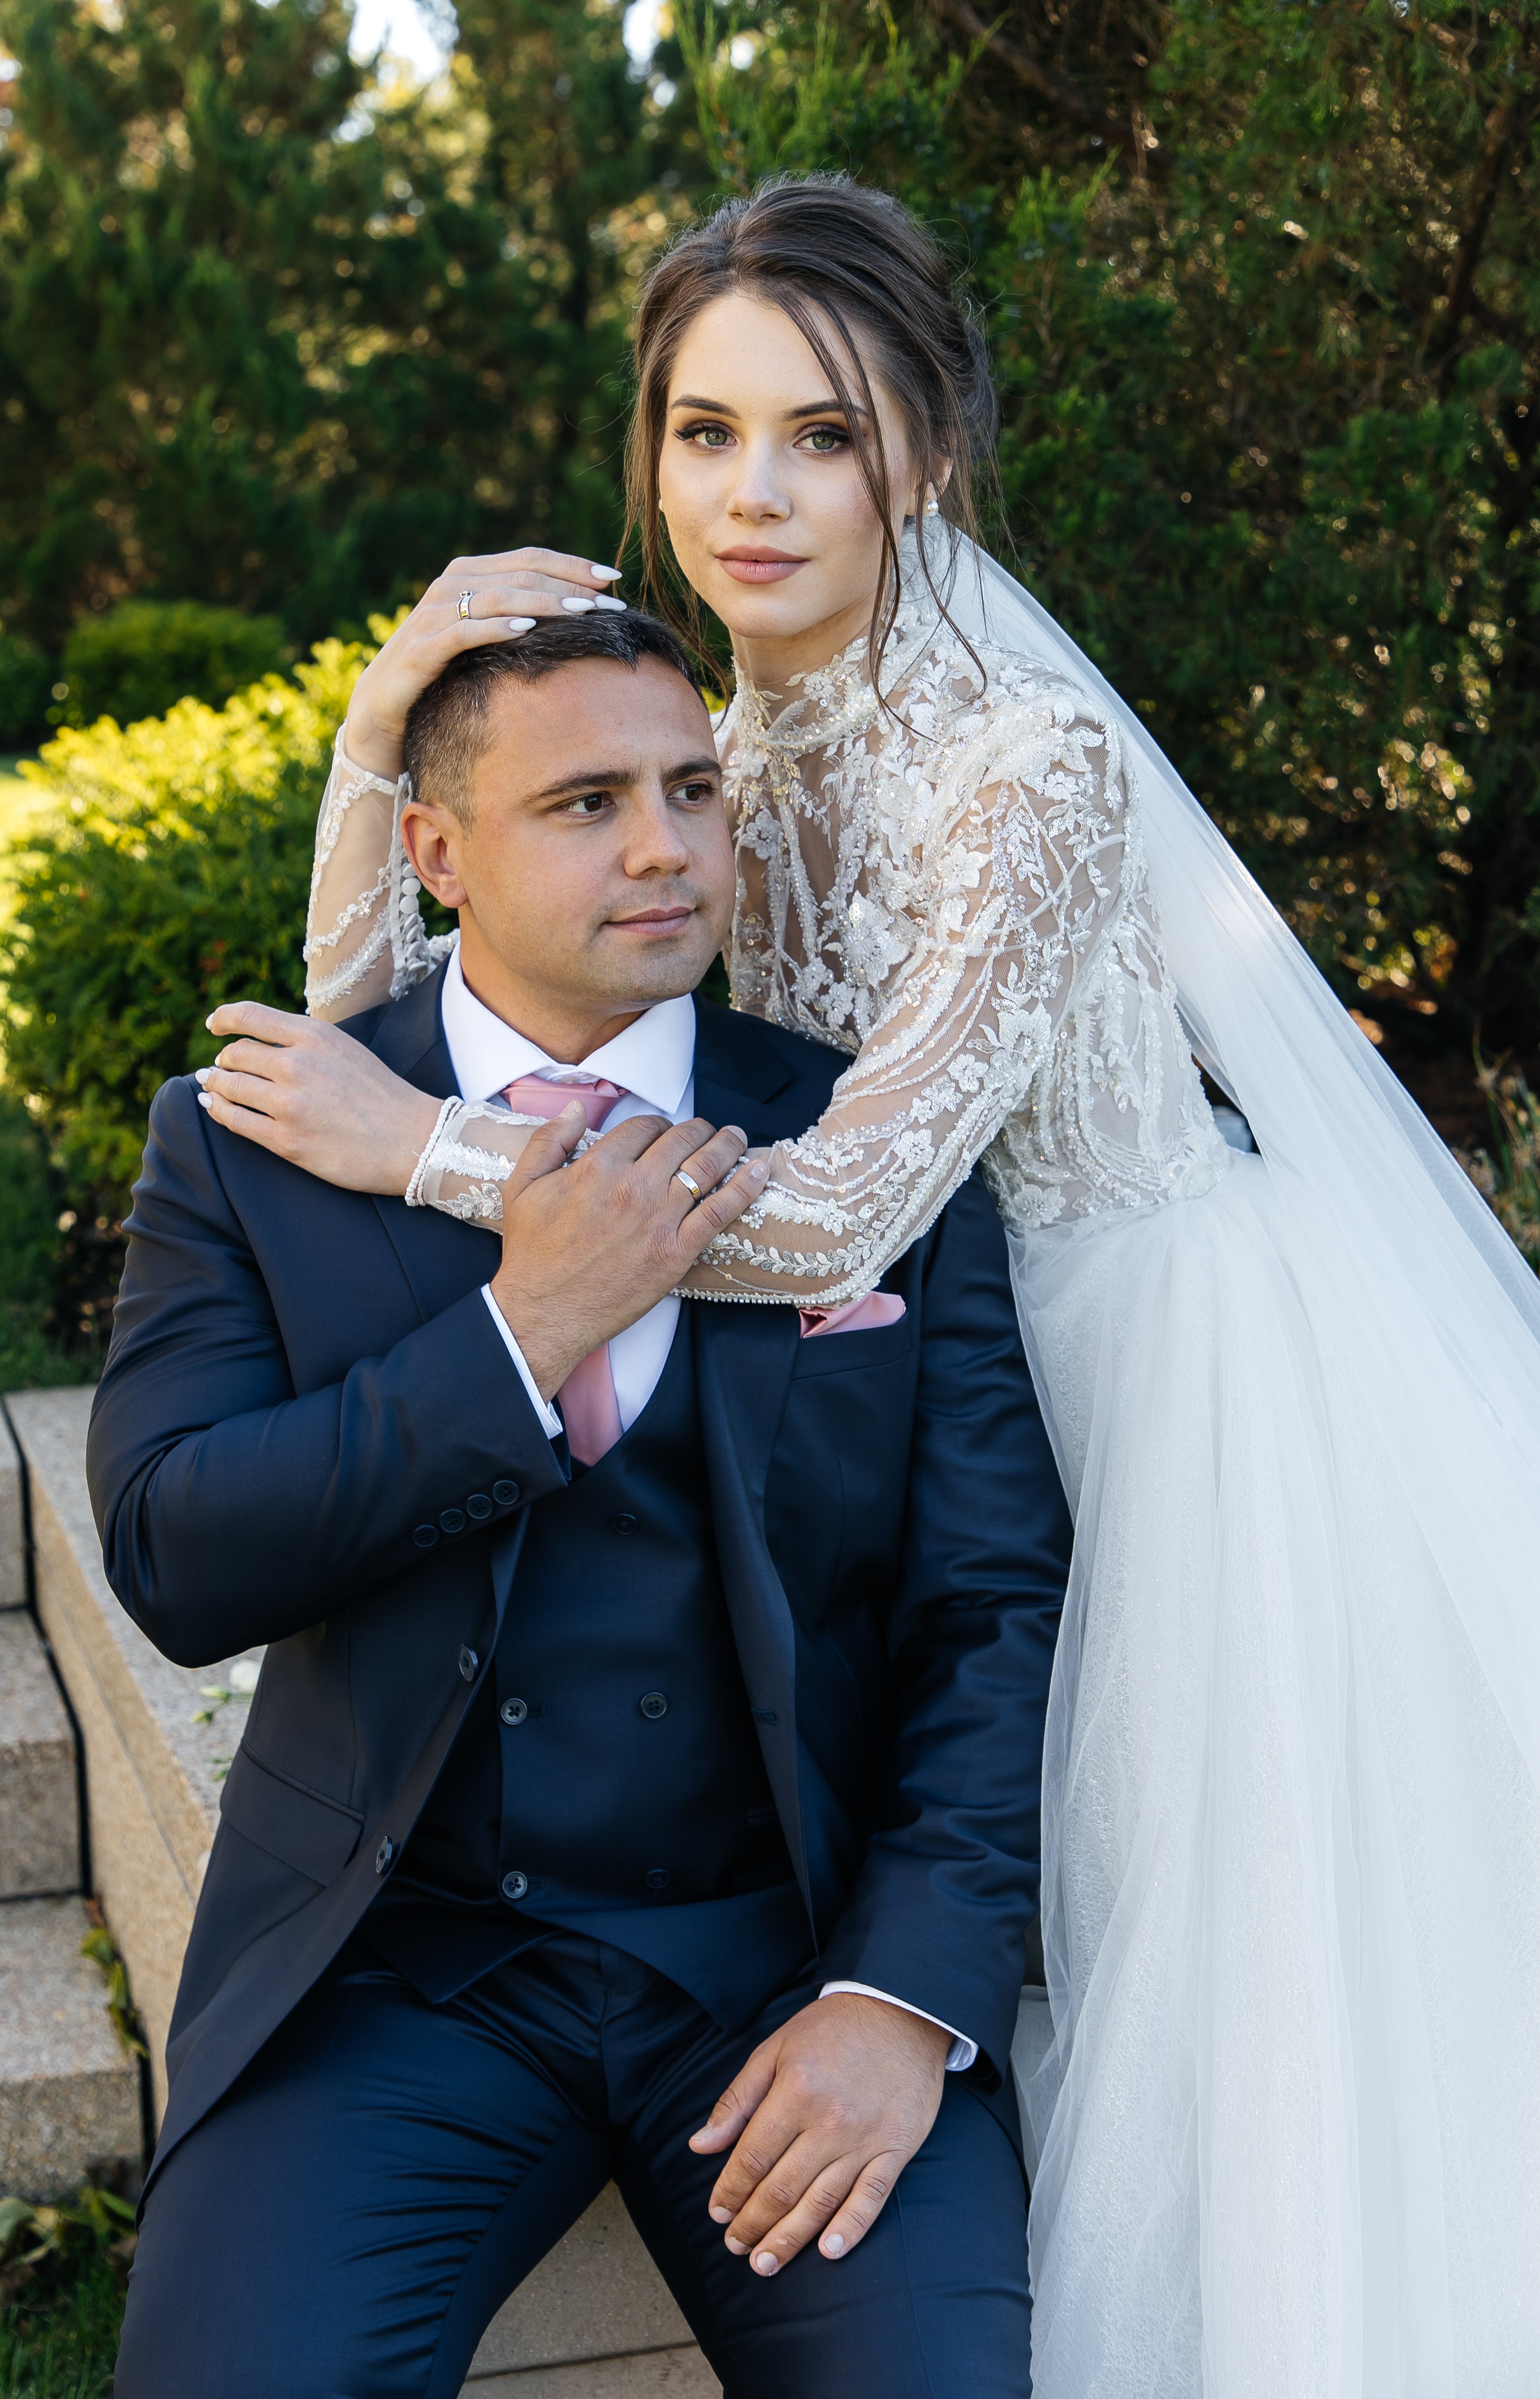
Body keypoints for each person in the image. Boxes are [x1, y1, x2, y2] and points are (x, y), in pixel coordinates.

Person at [197, 177, 1540, 2393]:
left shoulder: (1029, 766)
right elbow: (371, 1044)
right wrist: (377, 737)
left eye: (820, 435)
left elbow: (829, 1220)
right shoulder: (715, 743)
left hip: (1151, 1376)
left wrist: (432, 1155)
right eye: (705, 432)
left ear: (920, 452)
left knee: (1229, 2020)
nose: (753, 493)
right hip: (903, 1383)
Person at [89, 606, 1073, 2399]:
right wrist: (523, 1329)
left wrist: (903, 1998)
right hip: (397, 1972)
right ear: (436, 851)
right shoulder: (258, 1138)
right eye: (586, 802)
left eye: (694, 790)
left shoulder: (866, 1142)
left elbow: (991, 1604)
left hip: (787, 1962)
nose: (662, 847)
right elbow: (176, 1554)